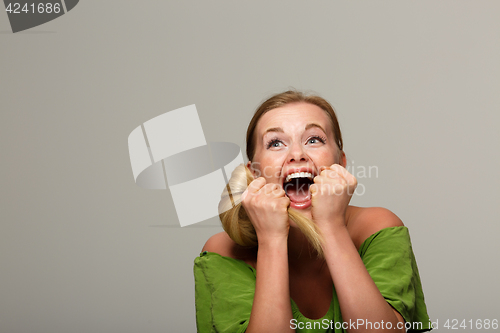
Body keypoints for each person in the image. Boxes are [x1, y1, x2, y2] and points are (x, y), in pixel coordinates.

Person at [194, 90, 432, 332]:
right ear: (254, 173)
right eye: (276, 143)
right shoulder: (223, 253)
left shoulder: (378, 228)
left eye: (313, 140)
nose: (297, 155)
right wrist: (271, 239)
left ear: (341, 163)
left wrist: (331, 225)